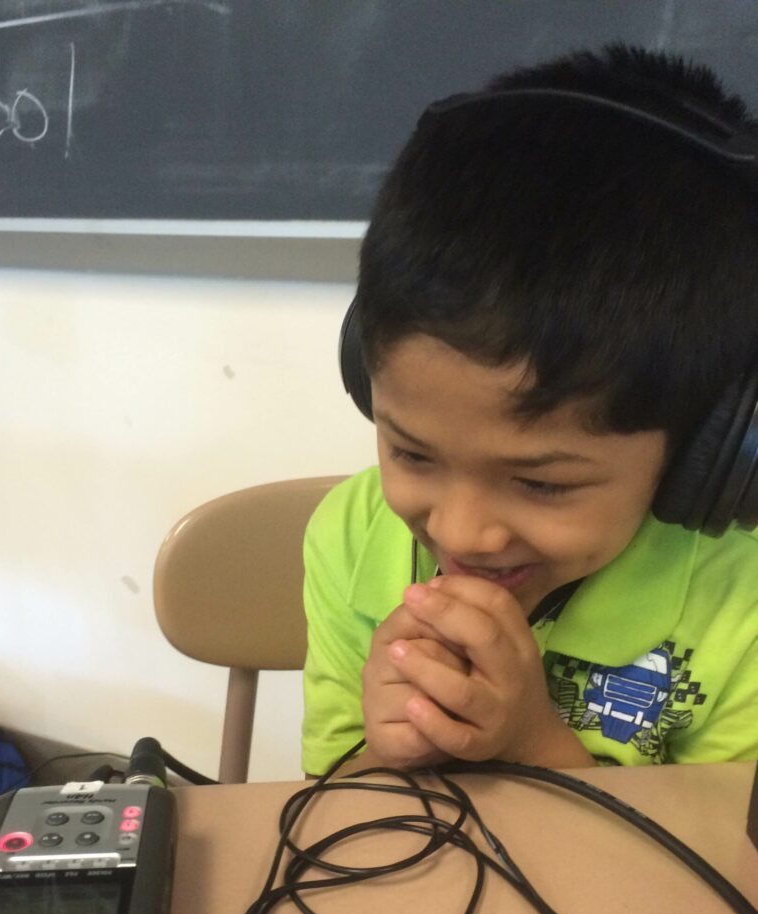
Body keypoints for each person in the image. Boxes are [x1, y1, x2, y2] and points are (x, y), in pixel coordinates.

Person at [301, 44, 758, 777]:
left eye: (542, 483)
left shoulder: (744, 602)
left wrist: (532, 745)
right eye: (412, 454)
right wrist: (387, 755)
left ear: (710, 453)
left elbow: (725, 873)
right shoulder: (353, 540)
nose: (461, 532)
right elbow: (329, 800)